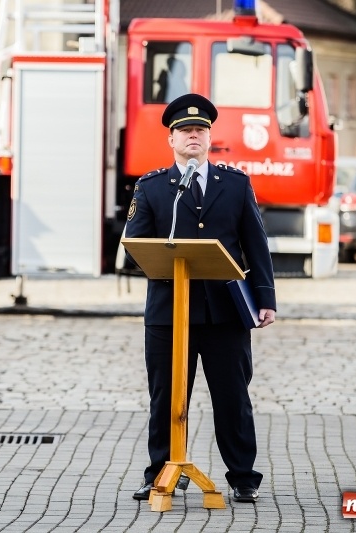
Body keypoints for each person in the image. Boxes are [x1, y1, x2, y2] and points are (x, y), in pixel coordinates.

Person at [126, 93, 276, 504]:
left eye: (200, 130)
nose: (193, 136)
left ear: (210, 138)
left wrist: (266, 298)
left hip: (224, 312)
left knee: (232, 397)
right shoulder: (153, 187)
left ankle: (243, 476)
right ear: (171, 140)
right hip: (168, 312)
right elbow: (133, 245)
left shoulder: (236, 184)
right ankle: (162, 471)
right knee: (166, 397)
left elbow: (255, 245)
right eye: (185, 131)